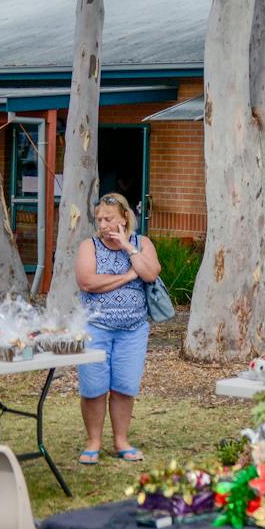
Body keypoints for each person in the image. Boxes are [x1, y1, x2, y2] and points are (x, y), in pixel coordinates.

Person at [75, 192, 161, 465]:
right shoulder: (89, 246)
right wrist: (126, 276)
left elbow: (150, 273)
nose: (102, 224)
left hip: (133, 329)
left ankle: (121, 440)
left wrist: (127, 247)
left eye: (108, 219)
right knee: (93, 386)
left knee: (124, 386)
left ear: (124, 217)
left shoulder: (141, 243)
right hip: (95, 327)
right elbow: (88, 282)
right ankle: (93, 442)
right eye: (99, 219)